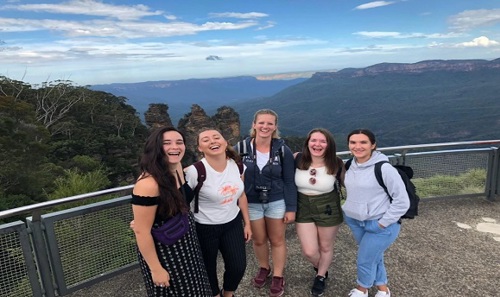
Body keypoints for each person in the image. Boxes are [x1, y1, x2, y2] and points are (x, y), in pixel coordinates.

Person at [131, 126, 212, 297]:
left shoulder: (177, 169)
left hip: (187, 245)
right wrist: (156, 269)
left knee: (198, 291)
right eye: (167, 143)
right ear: (156, 148)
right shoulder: (148, 183)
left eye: (179, 142)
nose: (175, 147)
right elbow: (141, 230)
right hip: (166, 252)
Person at [236, 109, 297, 297]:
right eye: (261, 122)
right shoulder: (241, 148)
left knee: (277, 240)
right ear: (254, 124)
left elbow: (289, 180)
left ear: (275, 127)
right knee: (259, 239)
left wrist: (291, 208)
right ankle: (264, 267)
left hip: (276, 200)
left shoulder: (282, 150)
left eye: (270, 123)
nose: (265, 126)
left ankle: (278, 275)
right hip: (251, 202)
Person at [184, 129, 252, 297]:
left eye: (216, 137)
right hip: (204, 227)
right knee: (208, 268)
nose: (212, 141)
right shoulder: (194, 171)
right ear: (200, 148)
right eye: (206, 140)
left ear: (225, 141)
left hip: (232, 223)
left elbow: (241, 194)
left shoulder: (237, 165)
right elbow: (178, 199)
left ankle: (227, 293)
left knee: (238, 266)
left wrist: (247, 223)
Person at [342, 129, 410, 297]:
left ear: (373, 145)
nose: (358, 146)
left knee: (365, 259)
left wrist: (382, 223)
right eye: (353, 142)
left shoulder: (384, 169)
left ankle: (362, 289)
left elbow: (402, 201)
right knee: (374, 256)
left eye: (363, 142)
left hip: (380, 224)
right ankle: (383, 289)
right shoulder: (350, 164)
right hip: (355, 220)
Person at [294, 128, 344, 297]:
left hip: (328, 207)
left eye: (323, 141)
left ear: (329, 144)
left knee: (325, 246)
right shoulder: (297, 158)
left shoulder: (336, 163)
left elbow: (352, 183)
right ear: (307, 143)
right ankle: (321, 267)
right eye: (313, 140)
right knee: (309, 251)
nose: (317, 144)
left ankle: (320, 276)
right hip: (303, 206)